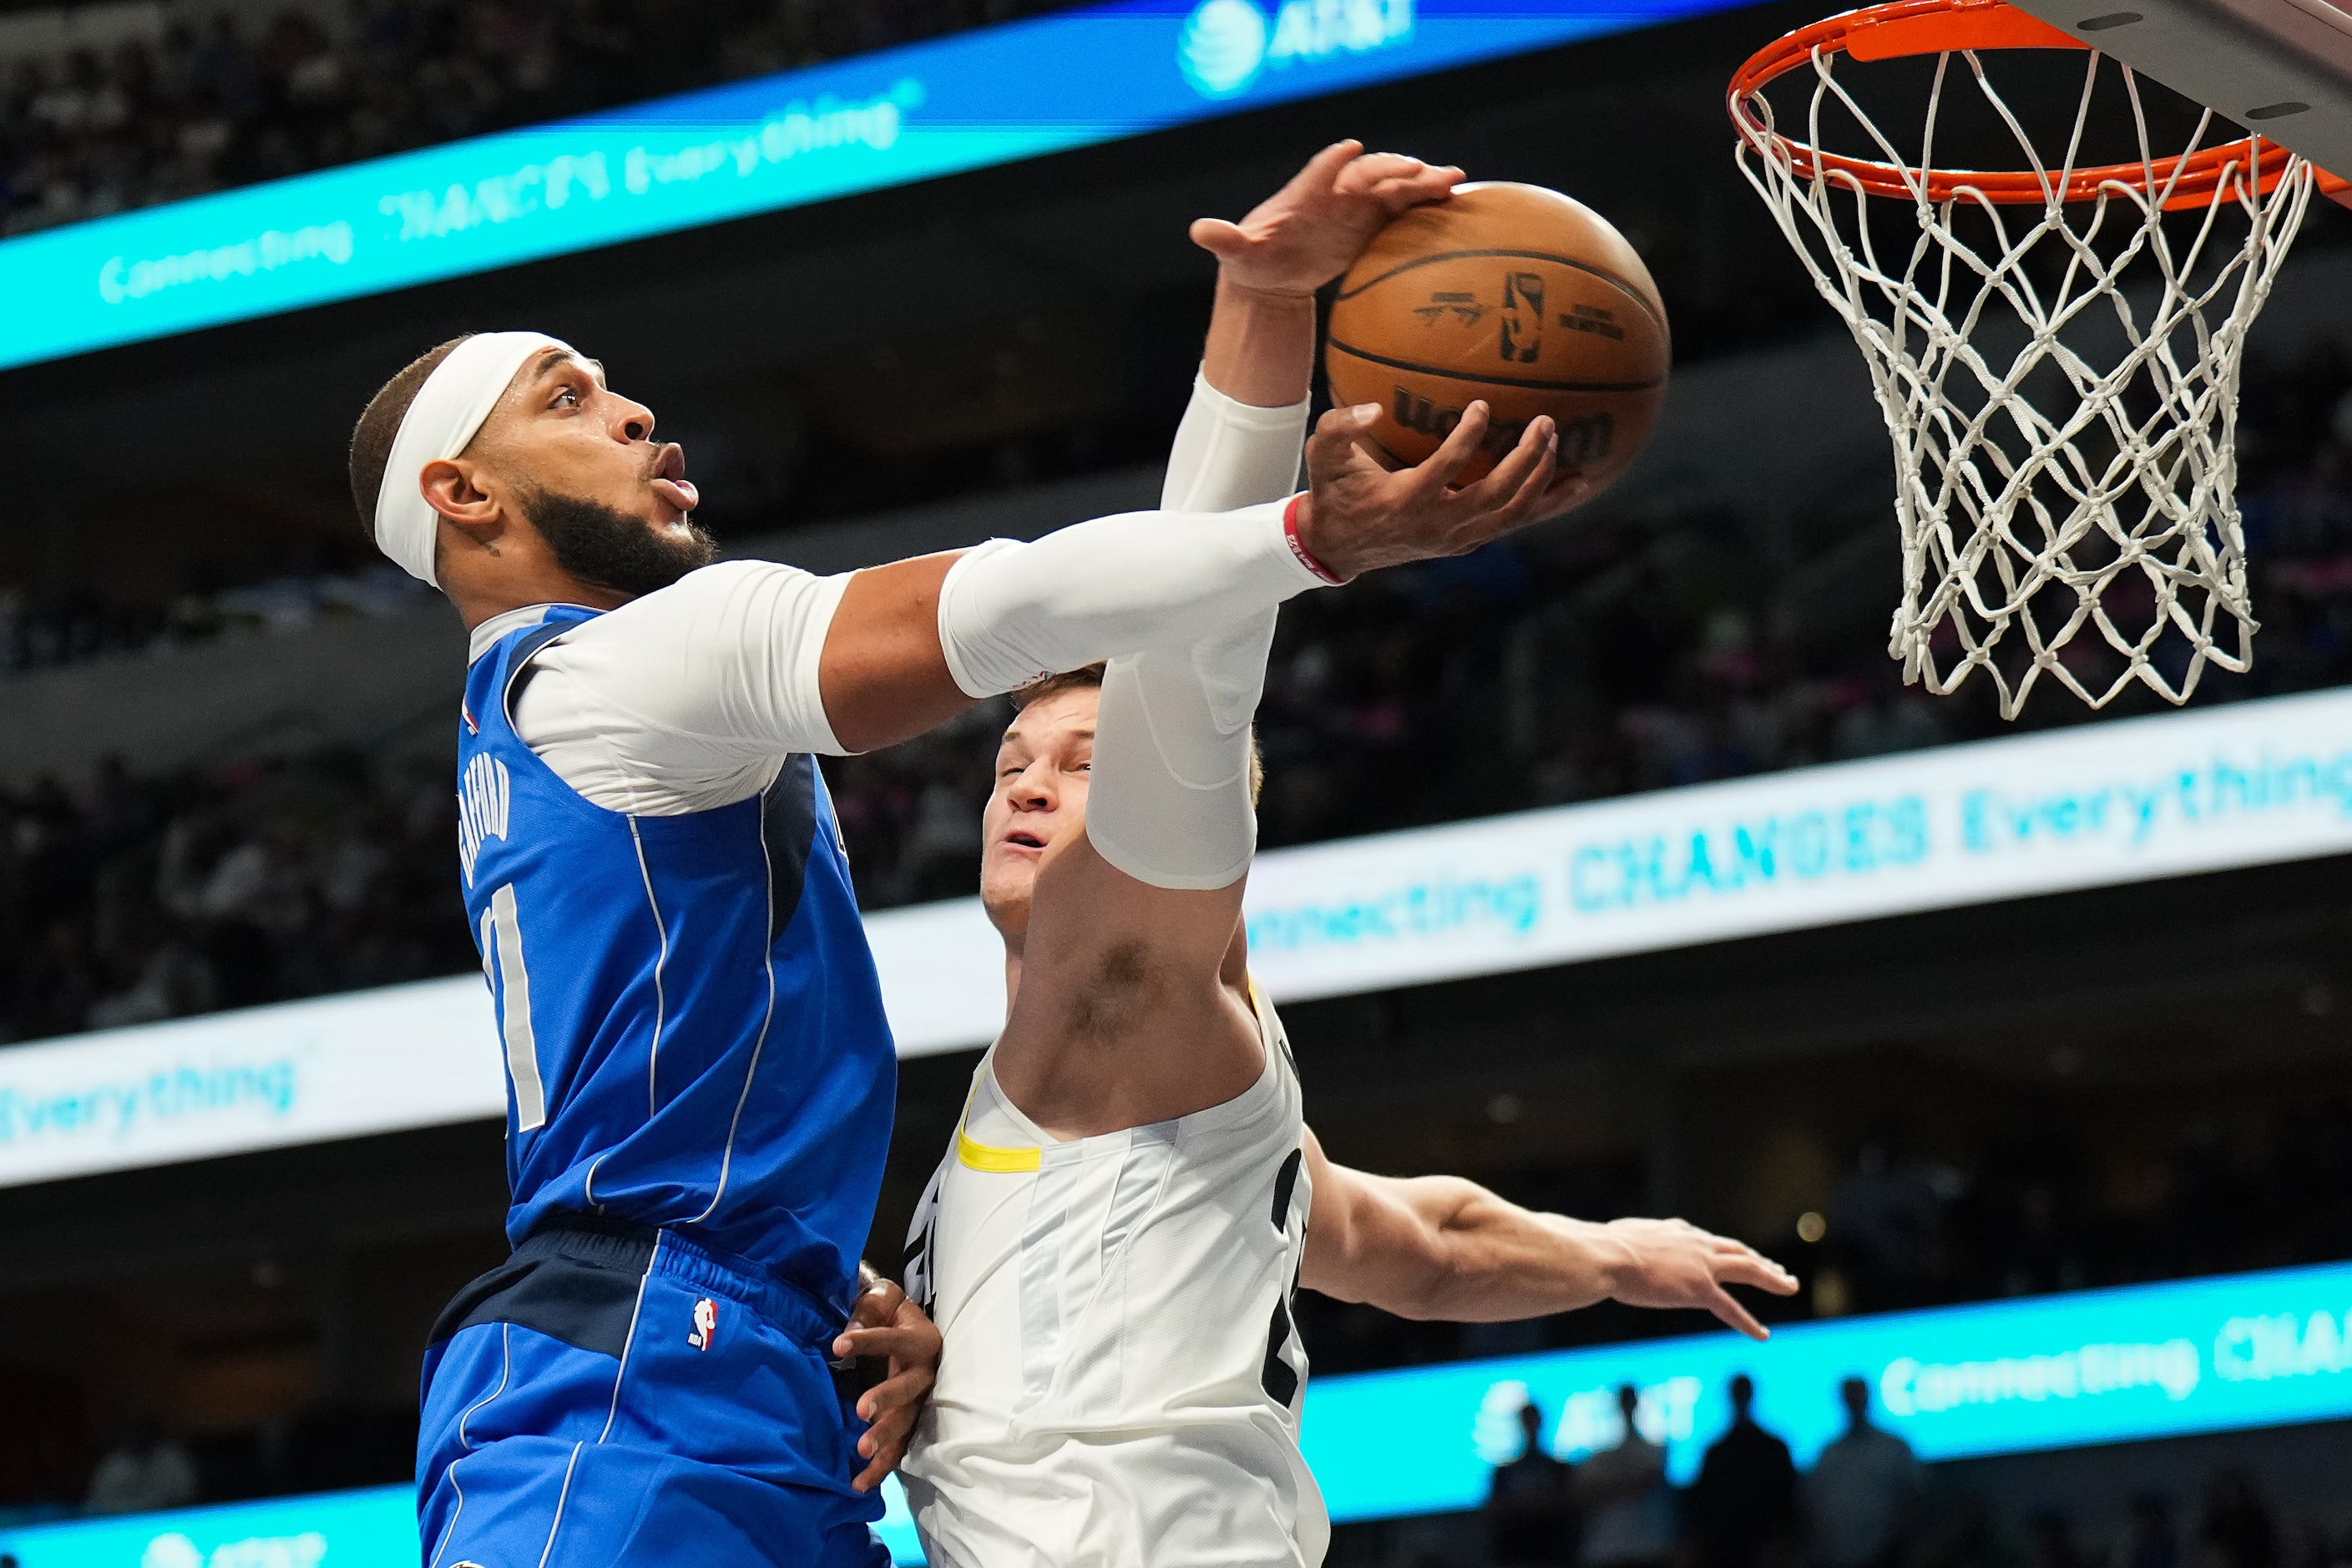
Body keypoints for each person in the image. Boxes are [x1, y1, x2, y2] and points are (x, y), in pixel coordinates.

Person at [356, 138, 1583, 1568]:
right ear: (463, 495)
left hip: (749, 1360)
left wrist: (852, 1287)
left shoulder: (568, 718)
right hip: (629, 1372)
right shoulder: (616, 667)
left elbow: (1170, 675)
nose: (642, 418)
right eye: (570, 401)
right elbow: (1026, 603)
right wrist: (1305, 532)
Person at [897, 153, 1797, 1568]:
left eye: (1082, 765)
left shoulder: (1118, 990)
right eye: (1011, 764)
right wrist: (1617, 1256)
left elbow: (1185, 663)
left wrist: (1261, 310)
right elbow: (1420, 1245)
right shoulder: (1169, 1089)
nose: (1028, 784)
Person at [1806, 1377, 1920, 1568]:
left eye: (1857, 1396)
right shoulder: (1829, 1454)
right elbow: (1810, 1505)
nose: (1854, 1402)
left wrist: (1894, 1545)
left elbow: (1912, 1498)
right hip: (1836, 1557)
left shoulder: (1893, 1448)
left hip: (1887, 1556)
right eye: (1850, 1397)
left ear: (1867, 1398)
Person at [1687, 1374, 1799, 1568]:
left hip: (1765, 1549)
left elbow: (1787, 1501)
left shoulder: (1772, 1448)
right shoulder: (1717, 1453)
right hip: (1727, 1551)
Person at [1578, 1386, 1675, 1568]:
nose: (1627, 1405)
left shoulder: (1655, 1450)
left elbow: (1648, 1480)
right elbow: (1583, 1492)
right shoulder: (1598, 1456)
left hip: (1647, 1548)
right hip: (1607, 1550)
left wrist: (1609, 1486)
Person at [1488, 1401, 1579, 1567]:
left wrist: (1522, 1505)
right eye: (1526, 1420)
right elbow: (1497, 1509)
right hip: (1515, 1552)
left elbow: (1567, 1503)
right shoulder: (1504, 1472)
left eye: (1532, 1420)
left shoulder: (1559, 1469)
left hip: (1552, 1549)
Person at [83, 1414, 198, 1516]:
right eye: (134, 1430)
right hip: (122, 1526)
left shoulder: (173, 1459)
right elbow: (98, 1506)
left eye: (144, 1429)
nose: (139, 1434)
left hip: (168, 1522)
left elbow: (188, 1497)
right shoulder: (112, 1466)